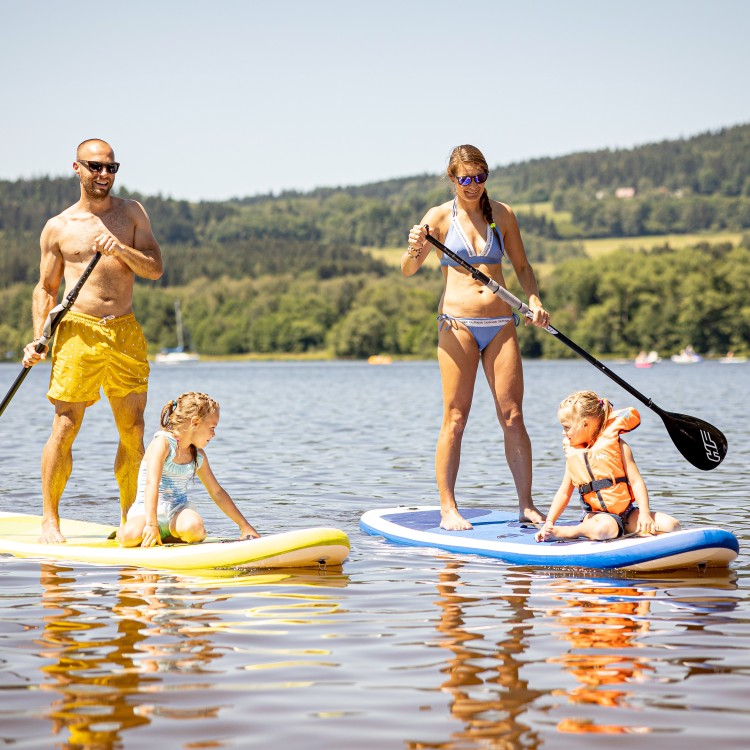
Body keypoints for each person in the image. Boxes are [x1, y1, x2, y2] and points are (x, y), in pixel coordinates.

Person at [21, 138, 163, 543]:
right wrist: (39, 338)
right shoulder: (59, 227)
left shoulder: (132, 213)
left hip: (124, 331)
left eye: (111, 168)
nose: (104, 175)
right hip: (77, 332)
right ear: (77, 168)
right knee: (65, 426)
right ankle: (50, 520)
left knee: (133, 430)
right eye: (96, 167)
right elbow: (45, 289)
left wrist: (120, 249)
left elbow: (154, 268)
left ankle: (129, 519)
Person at [404, 144, 550, 530]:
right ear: (452, 179)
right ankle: (448, 508)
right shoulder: (437, 217)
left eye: (479, 178)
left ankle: (527, 505)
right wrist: (415, 247)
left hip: (501, 324)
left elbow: (522, 265)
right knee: (455, 416)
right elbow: (408, 269)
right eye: (465, 179)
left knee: (513, 415)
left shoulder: (502, 214)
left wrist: (533, 299)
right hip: (458, 325)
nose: (473, 185)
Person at [535, 390, 681, 542]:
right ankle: (569, 531)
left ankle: (631, 531)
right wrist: (550, 522)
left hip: (627, 513)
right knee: (605, 530)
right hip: (598, 516)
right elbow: (564, 493)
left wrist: (644, 514)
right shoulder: (575, 456)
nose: (563, 433)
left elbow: (637, 482)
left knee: (672, 525)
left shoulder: (618, 446)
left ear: (585, 424)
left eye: (566, 427)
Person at [117, 392, 260, 547]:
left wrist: (245, 527)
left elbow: (217, 492)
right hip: (146, 513)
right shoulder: (163, 444)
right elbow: (152, 484)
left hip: (176, 512)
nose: (213, 434)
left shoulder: (197, 456)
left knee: (195, 529)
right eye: (212, 427)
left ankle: (171, 534)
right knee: (128, 537)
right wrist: (151, 525)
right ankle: (132, 530)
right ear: (196, 422)